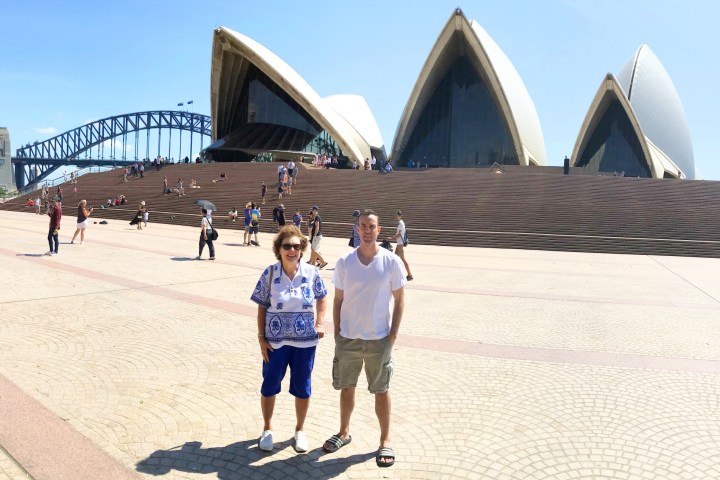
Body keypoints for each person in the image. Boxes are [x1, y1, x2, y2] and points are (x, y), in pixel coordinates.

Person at [323, 210, 406, 468]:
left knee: (381, 390)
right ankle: (344, 432)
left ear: (379, 230)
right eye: (362, 226)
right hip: (348, 338)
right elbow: (337, 299)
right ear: (356, 229)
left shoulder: (392, 262)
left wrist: (392, 334)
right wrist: (337, 332)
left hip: (379, 338)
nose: (367, 230)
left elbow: (400, 300)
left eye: (372, 226)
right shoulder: (345, 262)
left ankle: (385, 440)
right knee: (347, 387)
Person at [250, 226, 328, 453]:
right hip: (276, 342)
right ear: (279, 249)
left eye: (297, 246)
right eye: (287, 246)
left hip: (305, 343)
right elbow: (262, 306)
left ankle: (300, 431)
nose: (292, 250)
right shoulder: (271, 273)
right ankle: (267, 429)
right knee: (269, 385)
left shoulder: (312, 273)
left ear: (302, 249)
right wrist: (261, 337)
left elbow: (322, 297)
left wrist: (320, 323)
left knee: (303, 387)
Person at [388, 211, 413, 281]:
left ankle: (410, 274)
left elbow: (399, 235)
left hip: (400, 243)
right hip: (399, 243)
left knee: (403, 259)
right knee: (395, 258)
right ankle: (392, 274)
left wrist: (392, 238)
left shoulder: (401, 224)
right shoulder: (401, 223)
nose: (396, 217)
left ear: (400, 216)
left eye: (397, 216)